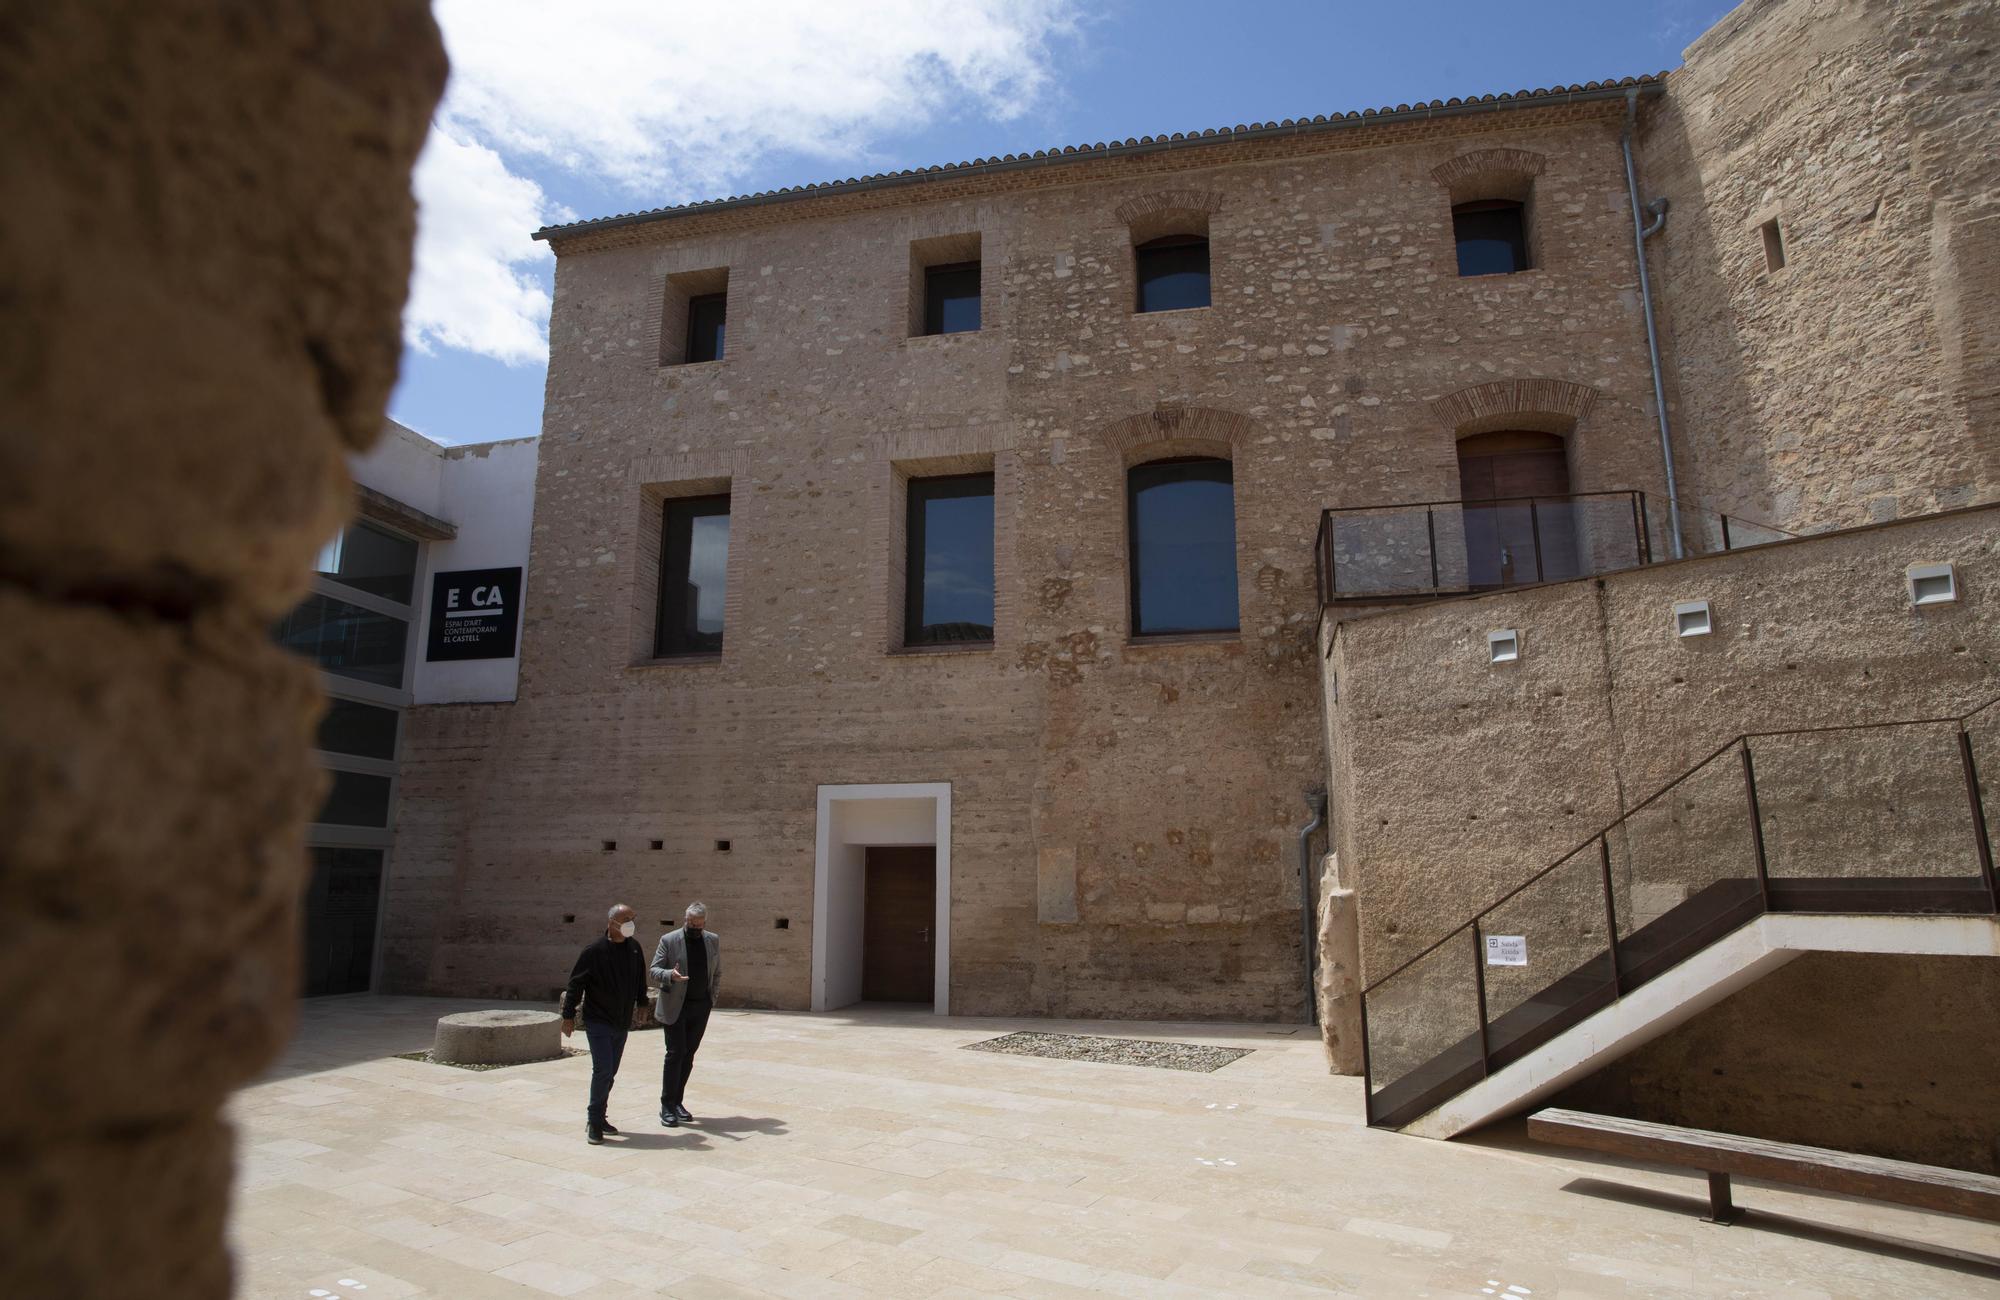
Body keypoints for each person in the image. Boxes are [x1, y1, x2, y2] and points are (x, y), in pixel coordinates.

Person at [561, 903, 649, 1145]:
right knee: (603, 1070)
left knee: (611, 1072)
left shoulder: (634, 949)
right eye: (626, 918)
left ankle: (600, 1115)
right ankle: (595, 1121)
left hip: (621, 1021)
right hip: (598, 1020)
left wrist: (642, 1004)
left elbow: (640, 978)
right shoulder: (594, 951)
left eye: (633, 917)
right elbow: (575, 984)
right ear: (612, 923)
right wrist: (568, 1015)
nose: (632, 922)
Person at [652, 901, 720, 1127]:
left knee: (689, 1054)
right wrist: (670, 974)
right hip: (675, 1006)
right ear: (685, 919)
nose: (695, 927)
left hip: (700, 1006)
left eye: (699, 924)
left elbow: (716, 971)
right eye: (691, 923)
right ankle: (666, 1105)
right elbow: (654, 969)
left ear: (704, 923)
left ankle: (678, 1101)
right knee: (675, 1053)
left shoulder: (712, 940)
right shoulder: (669, 940)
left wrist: (712, 998)